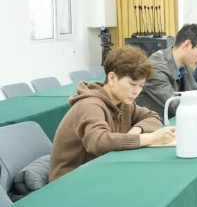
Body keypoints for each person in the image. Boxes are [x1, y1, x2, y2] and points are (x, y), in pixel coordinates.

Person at [50, 46, 176, 181]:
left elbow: (152, 117)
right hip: (70, 180)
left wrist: (135, 131)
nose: (136, 91)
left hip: (99, 171)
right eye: (132, 84)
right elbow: (98, 141)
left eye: (141, 85)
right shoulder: (90, 105)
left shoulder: (124, 103)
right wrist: (150, 138)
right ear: (112, 78)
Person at [136, 23, 197, 118]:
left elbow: (196, 91)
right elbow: (174, 104)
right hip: (152, 124)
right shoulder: (156, 68)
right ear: (187, 45)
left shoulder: (184, 64)